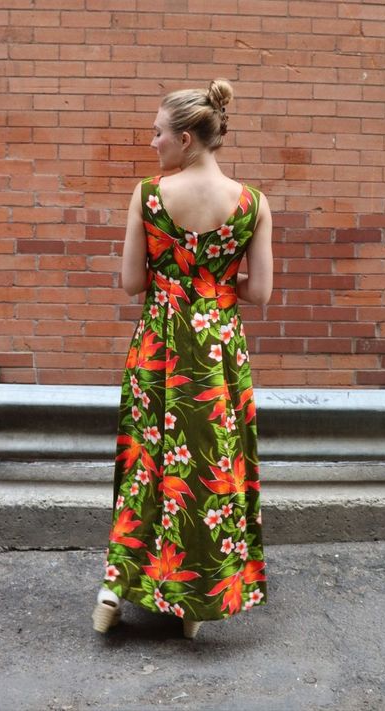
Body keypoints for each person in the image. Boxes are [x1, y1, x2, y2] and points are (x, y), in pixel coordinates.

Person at [92, 79, 273, 639]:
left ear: (188, 138)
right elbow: (261, 293)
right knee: (209, 467)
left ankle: (113, 592)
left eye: (158, 134)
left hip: (160, 348)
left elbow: (129, 283)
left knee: (148, 462)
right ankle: (196, 602)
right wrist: (214, 288)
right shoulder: (253, 204)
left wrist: (173, 283)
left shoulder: (148, 195)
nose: (152, 144)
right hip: (218, 348)